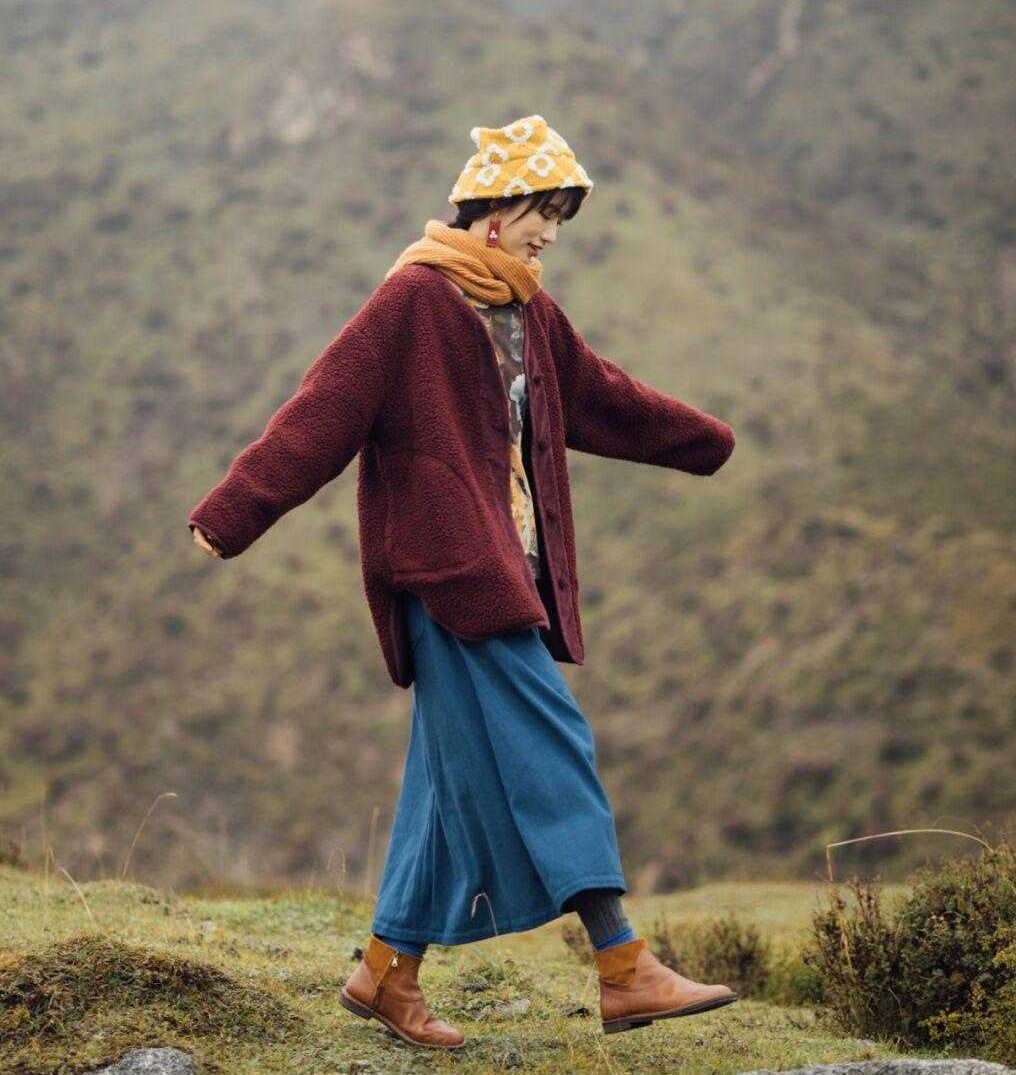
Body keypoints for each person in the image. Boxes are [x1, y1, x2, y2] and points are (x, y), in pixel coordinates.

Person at [188, 115, 739, 1050]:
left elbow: (606, 398)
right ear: (492, 210)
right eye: (541, 213)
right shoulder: (413, 302)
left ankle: (384, 974)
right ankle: (622, 964)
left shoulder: (527, 310)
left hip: (507, 569)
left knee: (443, 784)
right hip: (450, 573)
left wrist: (708, 441)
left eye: (561, 219)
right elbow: (320, 411)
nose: (550, 236)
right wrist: (232, 511)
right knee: (553, 740)